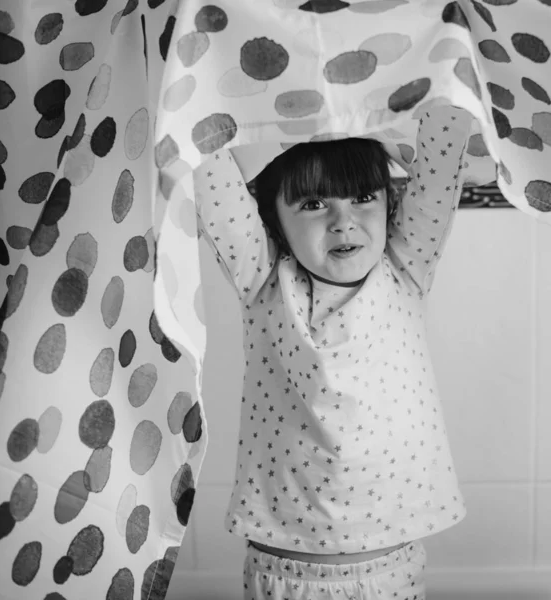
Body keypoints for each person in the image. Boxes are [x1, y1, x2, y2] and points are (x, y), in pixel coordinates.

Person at [193, 104, 472, 600]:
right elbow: (203, 159)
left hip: (391, 570)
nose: (345, 221)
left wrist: (441, 45)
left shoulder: (404, 268)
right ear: (274, 223)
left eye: (364, 197)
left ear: (388, 204)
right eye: (314, 204)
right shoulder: (264, 282)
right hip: (286, 576)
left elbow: (443, 145)